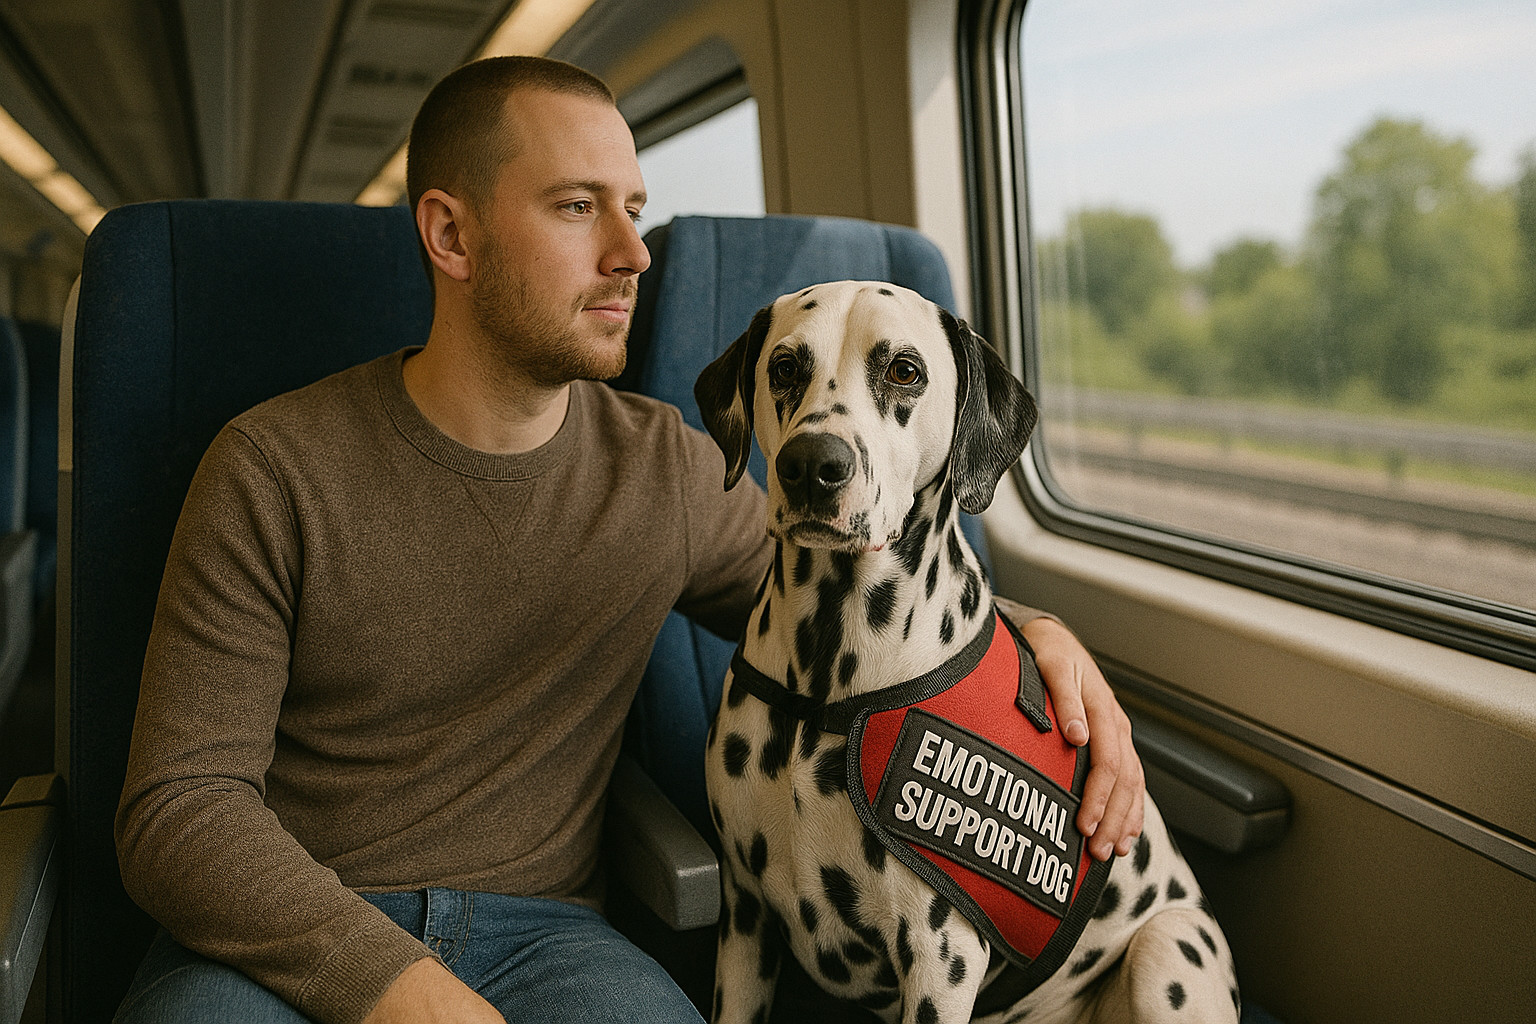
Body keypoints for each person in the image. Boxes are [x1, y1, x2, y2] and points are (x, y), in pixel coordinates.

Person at [111, 56, 1144, 1024]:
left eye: (635, 210)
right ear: (452, 237)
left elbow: (841, 598)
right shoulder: (272, 465)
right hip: (277, 942)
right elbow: (179, 810)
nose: (633, 254)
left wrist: (1030, 632)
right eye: (577, 207)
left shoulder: (666, 468)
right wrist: (396, 986)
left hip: (550, 939)